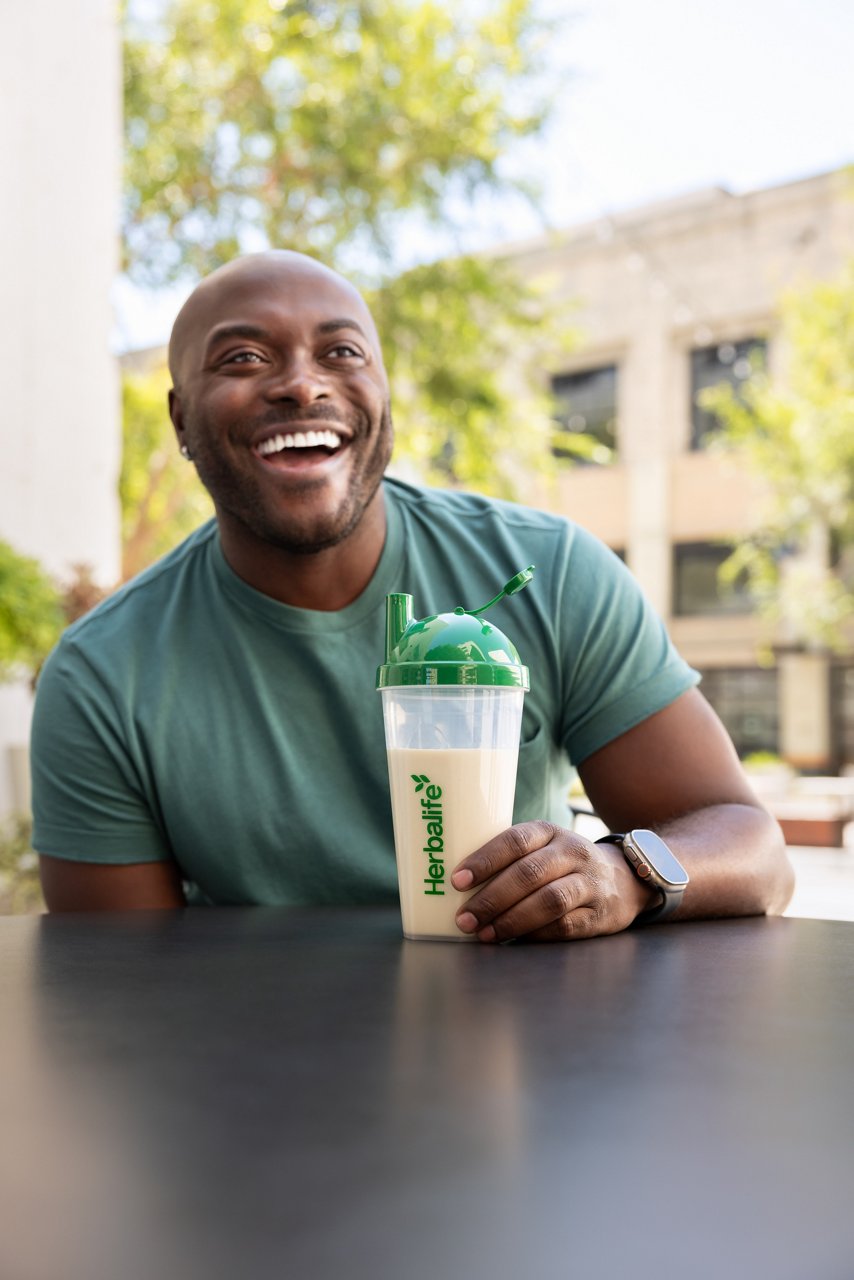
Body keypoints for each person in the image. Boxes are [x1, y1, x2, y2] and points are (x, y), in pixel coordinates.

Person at [31, 250, 794, 938]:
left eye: (342, 352)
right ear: (180, 420)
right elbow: (122, 984)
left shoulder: (548, 571)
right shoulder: (103, 677)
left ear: (383, 397)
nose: (301, 382)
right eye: (243, 357)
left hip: (527, 1055)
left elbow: (754, 850)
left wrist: (625, 873)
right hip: (256, 1067)